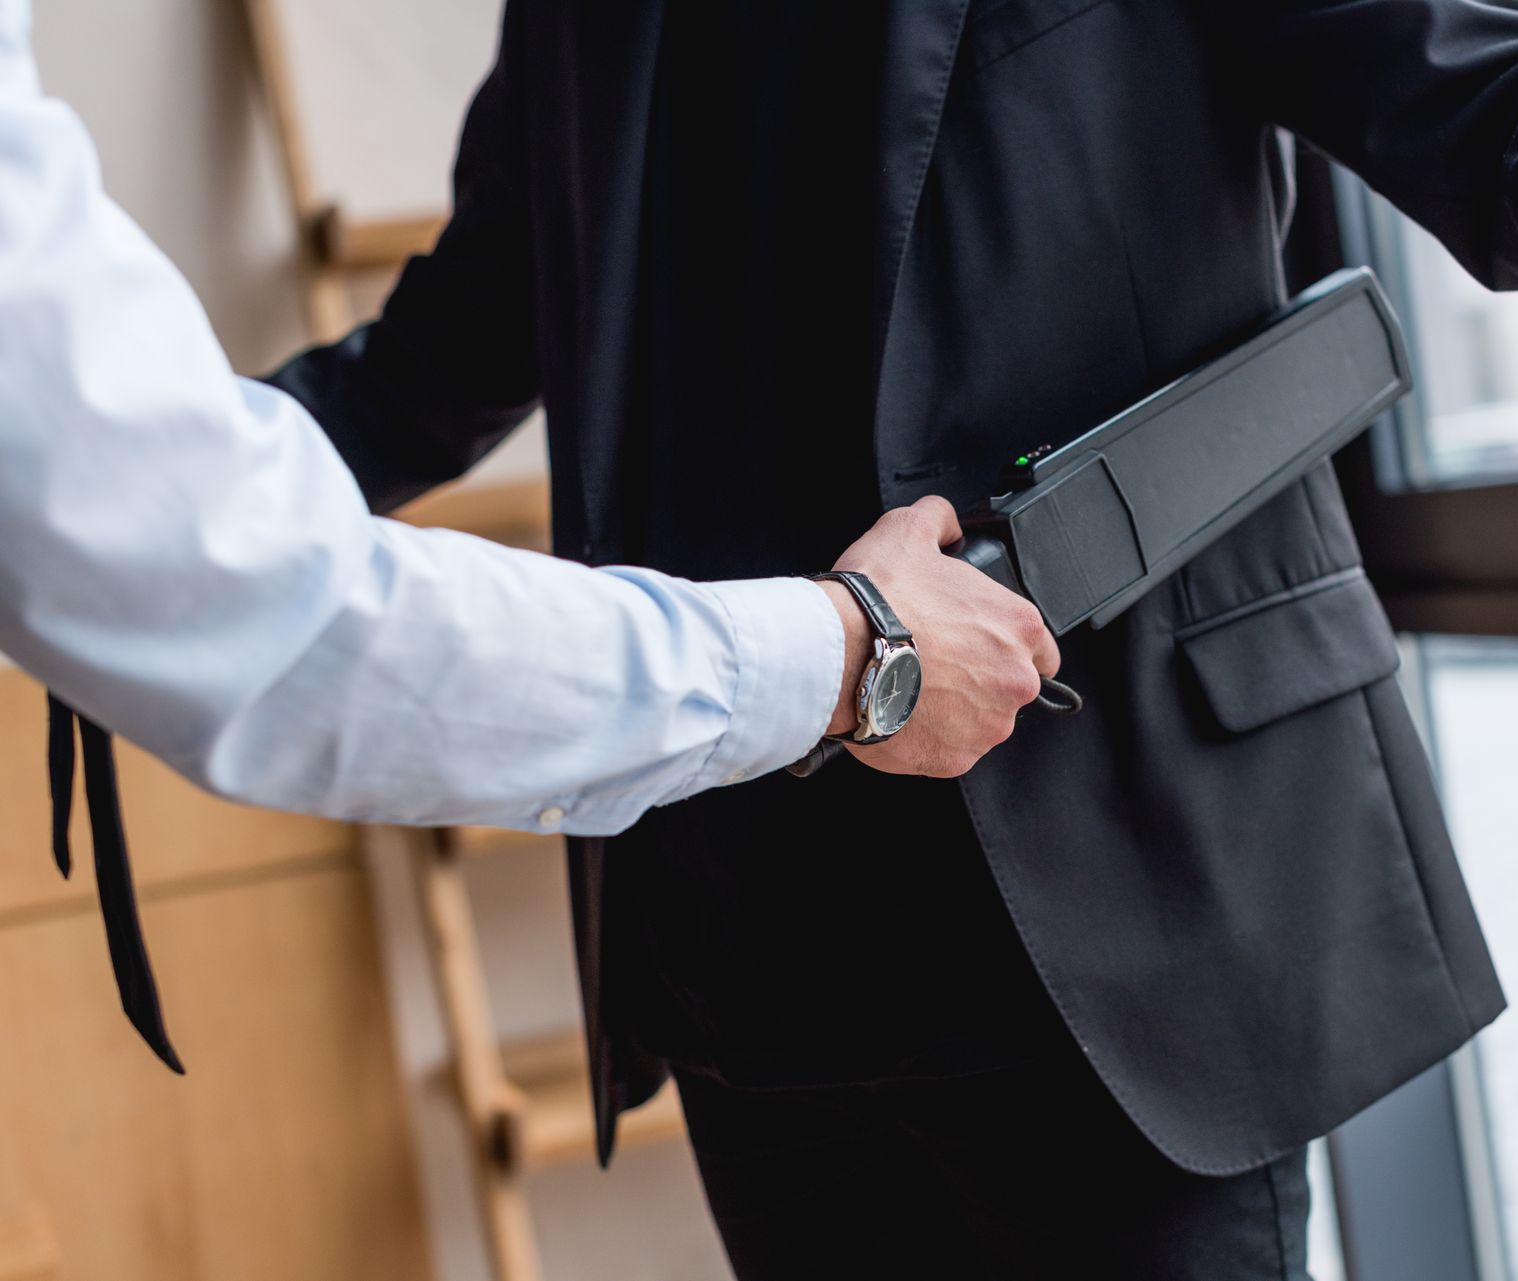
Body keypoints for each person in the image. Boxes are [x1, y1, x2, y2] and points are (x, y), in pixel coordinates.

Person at [259, 0, 1518, 1277]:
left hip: (1128, 900)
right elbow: (450, 349)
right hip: (750, 937)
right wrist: (127, 488)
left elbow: (1503, 122)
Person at [0, 0, 1056, 1065]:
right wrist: (854, 653)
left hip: (1079, 856)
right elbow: (476, 320)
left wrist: (178, 489)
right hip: (740, 897)